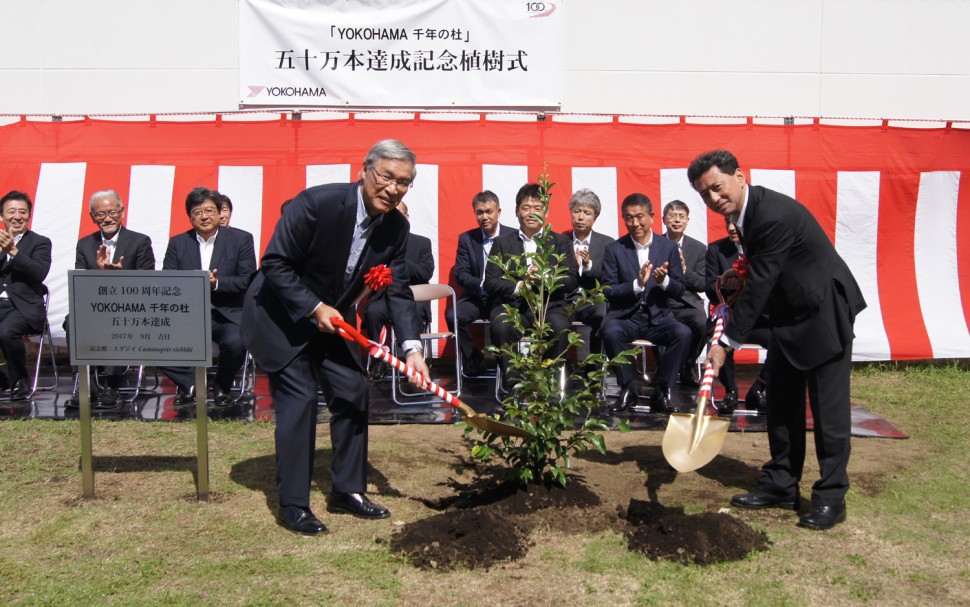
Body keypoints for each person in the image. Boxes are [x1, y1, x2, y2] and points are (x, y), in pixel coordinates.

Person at [241, 139, 428, 536]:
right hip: (281, 315)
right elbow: (274, 263)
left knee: (353, 391)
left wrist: (412, 348)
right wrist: (313, 307)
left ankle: (348, 489)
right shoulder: (316, 204)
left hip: (333, 321)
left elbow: (396, 290)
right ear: (365, 170)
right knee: (301, 399)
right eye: (386, 177)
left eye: (404, 183)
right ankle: (293, 503)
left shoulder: (397, 227)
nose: (393, 189)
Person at [689, 149, 866, 531]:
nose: (714, 199)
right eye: (705, 195)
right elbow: (761, 273)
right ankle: (781, 485)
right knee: (782, 406)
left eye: (717, 188)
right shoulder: (745, 214)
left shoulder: (770, 215)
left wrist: (726, 344)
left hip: (823, 314)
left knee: (828, 415)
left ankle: (831, 497)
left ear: (739, 175)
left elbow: (761, 283)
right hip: (788, 316)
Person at [159, 187, 256, 407]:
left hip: (226, 313)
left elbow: (247, 280)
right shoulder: (178, 242)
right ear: (190, 216)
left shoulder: (240, 239)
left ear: (219, 212)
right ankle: (191, 384)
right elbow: (168, 280)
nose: (204, 216)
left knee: (236, 342)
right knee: (152, 339)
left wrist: (216, 283)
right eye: (197, 212)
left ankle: (222, 387)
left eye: (209, 210)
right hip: (187, 313)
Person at [600, 193, 691, 414]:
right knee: (610, 330)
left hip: (658, 317)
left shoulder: (668, 247)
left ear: (651, 217)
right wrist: (636, 285)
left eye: (639, 217)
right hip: (627, 317)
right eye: (629, 218)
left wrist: (664, 281)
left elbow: (680, 289)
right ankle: (628, 389)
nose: (635, 223)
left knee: (683, 333)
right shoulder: (615, 249)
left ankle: (661, 391)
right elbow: (607, 290)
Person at [484, 183, 578, 395]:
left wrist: (545, 277)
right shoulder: (502, 243)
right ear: (517, 211)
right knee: (500, 327)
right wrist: (520, 285)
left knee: (560, 327)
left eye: (538, 208)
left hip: (549, 306)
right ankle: (513, 387)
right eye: (526, 208)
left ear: (545, 212)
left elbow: (572, 280)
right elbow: (489, 282)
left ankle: (549, 387)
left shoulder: (561, 242)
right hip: (513, 306)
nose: (532, 213)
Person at [67, 189, 155, 408]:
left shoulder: (140, 241)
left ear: (122, 212)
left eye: (112, 212)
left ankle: (111, 384)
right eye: (100, 214)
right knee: (72, 320)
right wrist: (99, 274)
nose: (107, 218)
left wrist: (120, 277)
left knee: (117, 319)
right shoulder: (85, 244)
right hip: (95, 306)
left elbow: (149, 281)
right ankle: (85, 382)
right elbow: (80, 282)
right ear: (92, 217)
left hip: (130, 307)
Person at [704, 217, 770, 413]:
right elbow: (708, 288)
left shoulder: (760, 250)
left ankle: (759, 388)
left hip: (758, 319)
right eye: (728, 224)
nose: (731, 228)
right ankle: (730, 391)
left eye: (736, 224)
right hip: (729, 317)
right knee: (718, 340)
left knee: (783, 341)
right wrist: (723, 285)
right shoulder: (716, 249)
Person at [361, 201, 434, 378]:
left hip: (413, 299)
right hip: (383, 299)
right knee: (372, 312)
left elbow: (425, 273)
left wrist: (397, 261)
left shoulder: (422, 243)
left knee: (414, 312)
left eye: (399, 214)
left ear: (407, 218)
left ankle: (414, 358)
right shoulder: (376, 243)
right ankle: (380, 360)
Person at [446, 190, 515, 376]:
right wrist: (483, 285)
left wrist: (498, 286)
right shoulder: (467, 239)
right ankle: (473, 359)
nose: (484, 217)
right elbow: (461, 274)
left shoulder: (513, 237)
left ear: (498, 212)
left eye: (489, 211)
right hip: (477, 296)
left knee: (502, 326)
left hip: (502, 298)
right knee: (453, 315)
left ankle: (506, 371)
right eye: (479, 212)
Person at [0, 191, 51, 400]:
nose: (17, 216)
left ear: (29, 216)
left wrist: (13, 251)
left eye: (22, 212)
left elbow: (39, 272)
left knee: (5, 332)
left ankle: (20, 380)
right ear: (2, 216)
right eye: (11, 211)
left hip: (24, 308)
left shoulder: (40, 242)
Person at [562, 188, 614, 356]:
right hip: (566, 299)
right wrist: (573, 267)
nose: (581, 217)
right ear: (570, 213)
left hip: (592, 299)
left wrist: (588, 264)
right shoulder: (560, 240)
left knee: (602, 315)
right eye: (577, 211)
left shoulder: (607, 243)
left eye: (587, 213)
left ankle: (594, 366)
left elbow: (609, 275)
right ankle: (563, 366)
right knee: (554, 319)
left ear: (595, 216)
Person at [662, 200, 707, 386]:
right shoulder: (654, 244)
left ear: (688, 221)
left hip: (687, 303)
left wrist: (685, 270)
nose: (677, 220)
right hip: (662, 301)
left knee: (702, 323)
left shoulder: (698, 248)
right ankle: (664, 368)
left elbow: (703, 284)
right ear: (664, 219)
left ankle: (687, 365)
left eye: (681, 216)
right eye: (672, 216)